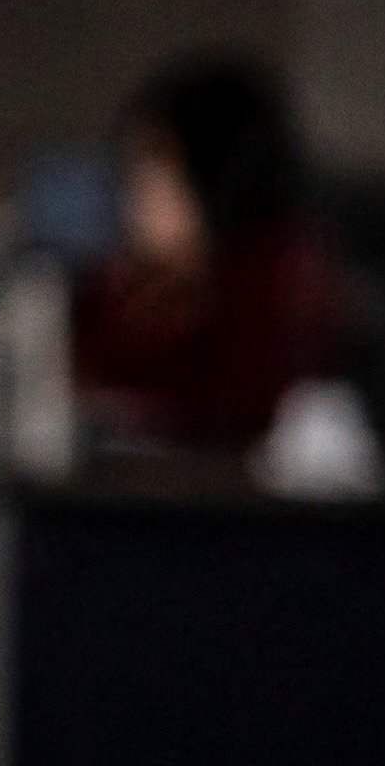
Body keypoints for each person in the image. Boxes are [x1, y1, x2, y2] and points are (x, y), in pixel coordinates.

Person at [73, 49, 335, 459]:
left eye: (156, 169)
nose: (135, 196)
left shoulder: (275, 285)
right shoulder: (125, 284)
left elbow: (230, 421)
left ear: (214, 175)